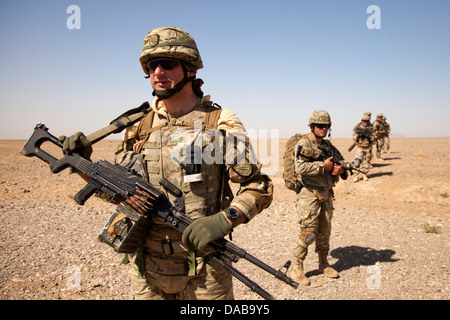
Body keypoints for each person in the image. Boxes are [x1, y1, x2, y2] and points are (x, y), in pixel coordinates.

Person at [60, 26, 273, 300]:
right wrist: (82, 165)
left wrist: (226, 219)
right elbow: (120, 194)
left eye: (168, 64)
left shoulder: (219, 122)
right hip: (145, 268)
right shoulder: (137, 126)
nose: (158, 72)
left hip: (205, 268)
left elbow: (258, 185)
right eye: (152, 65)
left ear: (190, 69)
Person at [291, 110, 347, 286]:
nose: (323, 129)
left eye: (326, 126)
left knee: (324, 230)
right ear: (312, 126)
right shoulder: (303, 144)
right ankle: (297, 267)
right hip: (309, 193)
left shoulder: (329, 147)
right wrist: (323, 166)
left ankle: (323, 263)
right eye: (320, 126)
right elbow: (300, 168)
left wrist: (341, 170)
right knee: (308, 232)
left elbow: (342, 162)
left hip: (327, 193)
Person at [352, 114, 374, 182]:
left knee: (367, 163)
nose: (365, 122)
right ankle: (356, 176)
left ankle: (364, 175)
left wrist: (370, 137)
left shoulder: (371, 128)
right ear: (362, 121)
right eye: (364, 121)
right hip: (360, 147)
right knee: (357, 162)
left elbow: (374, 138)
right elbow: (353, 137)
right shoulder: (357, 127)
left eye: (367, 121)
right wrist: (358, 136)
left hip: (368, 147)